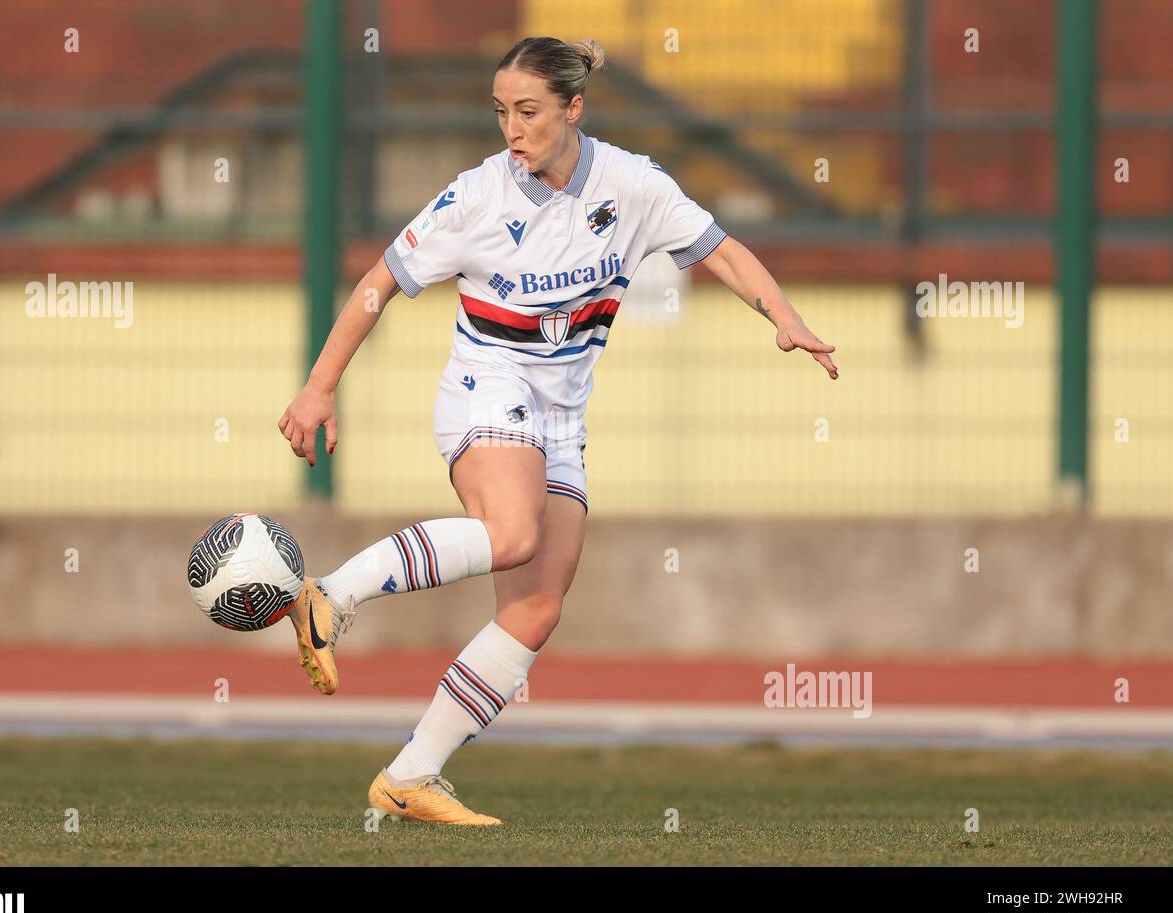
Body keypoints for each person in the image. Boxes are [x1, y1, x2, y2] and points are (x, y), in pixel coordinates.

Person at [278, 36, 838, 825]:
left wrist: (785, 318)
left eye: (529, 111)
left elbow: (721, 252)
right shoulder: (477, 196)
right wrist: (318, 389)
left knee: (537, 607)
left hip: (561, 418)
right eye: (501, 112)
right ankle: (330, 597)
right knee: (510, 535)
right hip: (486, 390)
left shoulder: (634, 186)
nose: (512, 128)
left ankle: (411, 774)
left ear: (575, 109)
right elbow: (377, 285)